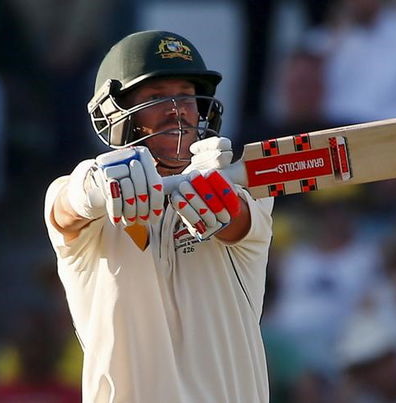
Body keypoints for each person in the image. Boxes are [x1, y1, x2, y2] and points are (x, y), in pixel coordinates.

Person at [43, 30, 274, 402]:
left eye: (185, 95)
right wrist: (96, 186)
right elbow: (64, 208)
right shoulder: (91, 216)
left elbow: (239, 222)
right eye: (155, 98)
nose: (177, 109)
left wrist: (221, 197)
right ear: (114, 115)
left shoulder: (248, 193)